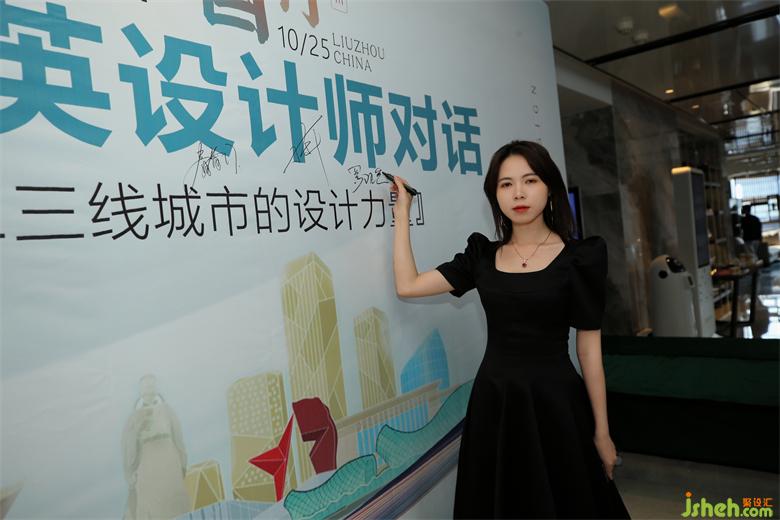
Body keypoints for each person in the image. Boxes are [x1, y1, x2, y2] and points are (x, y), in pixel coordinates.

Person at [390, 140, 631, 518]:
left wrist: (602, 430)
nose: (518, 193)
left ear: (549, 188)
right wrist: (402, 213)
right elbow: (408, 285)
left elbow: (588, 351)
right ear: (495, 195)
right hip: (496, 405)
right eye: (506, 184)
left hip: (557, 405)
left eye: (530, 181)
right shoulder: (482, 257)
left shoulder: (580, 258)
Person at [122, 374, 190, 519]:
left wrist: (183, 464)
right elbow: (128, 448)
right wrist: (130, 474)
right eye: (146, 385)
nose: (149, 387)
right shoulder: (133, 418)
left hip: (170, 463)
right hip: (147, 467)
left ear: (156, 387)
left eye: (152, 384)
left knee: (176, 506)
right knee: (151, 508)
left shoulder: (168, 411)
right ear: (140, 391)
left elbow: (178, 438)